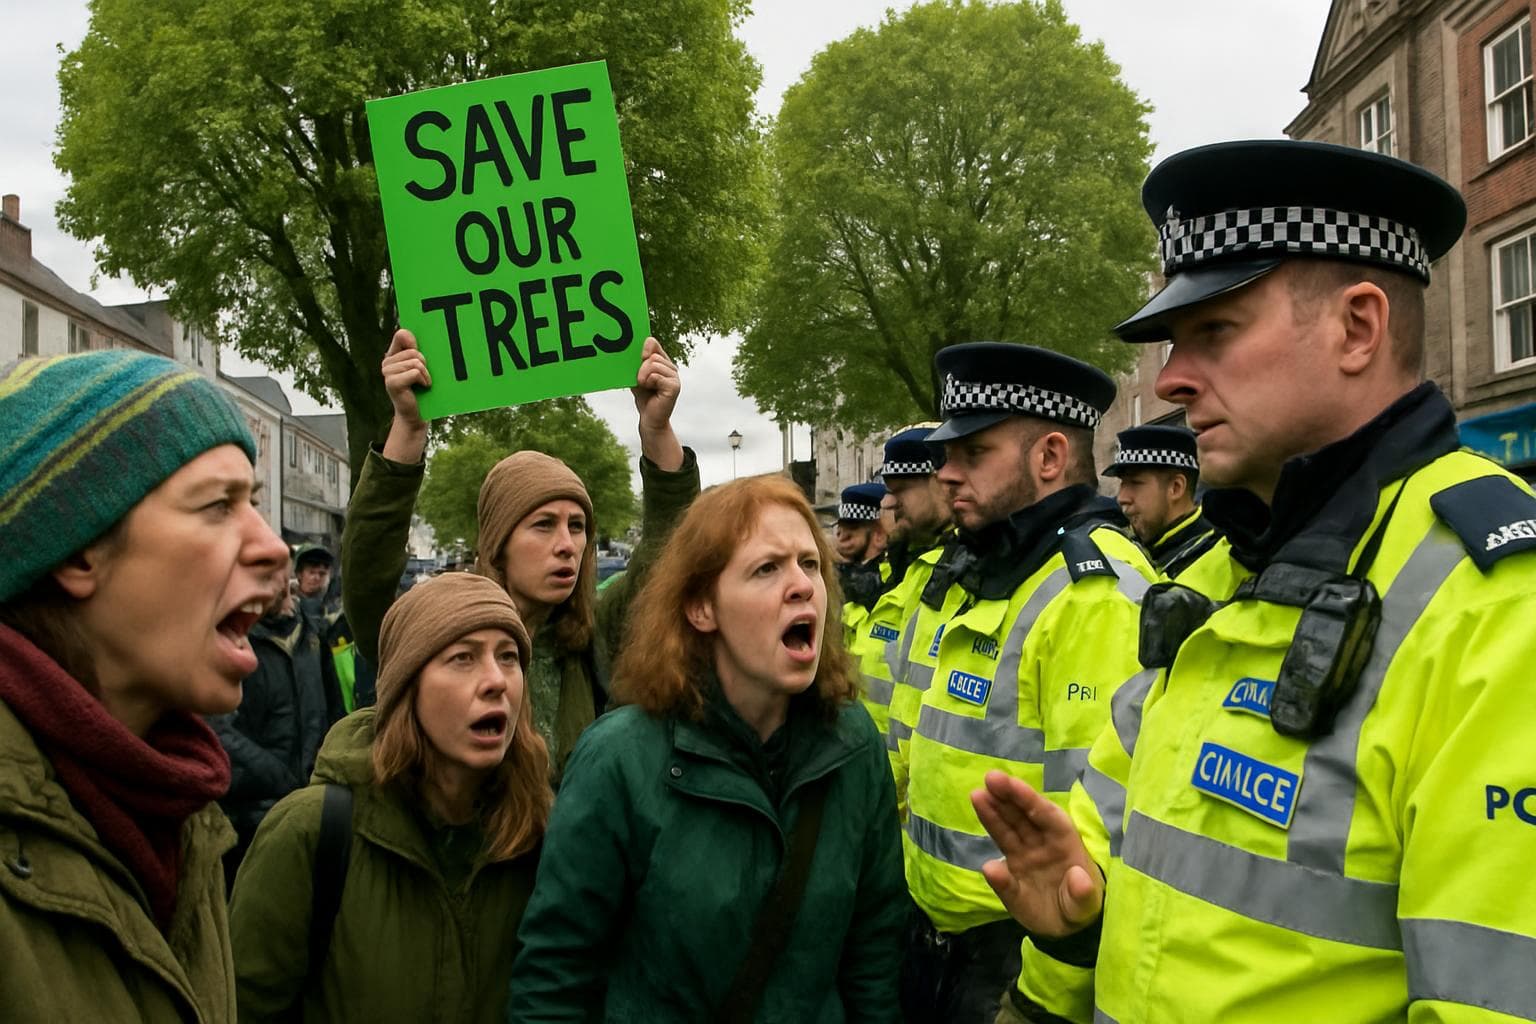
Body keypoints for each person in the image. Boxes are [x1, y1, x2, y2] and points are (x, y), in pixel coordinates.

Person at [976, 140, 1536, 1024]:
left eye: (1216, 332)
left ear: (1359, 328)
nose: (1171, 380)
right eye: (1173, 341)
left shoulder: (1500, 600)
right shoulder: (1221, 572)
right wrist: (1072, 935)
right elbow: (1128, 863)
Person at [506, 475, 905, 1022]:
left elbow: (874, 957)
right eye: (767, 568)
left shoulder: (854, 743)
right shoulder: (619, 760)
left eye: (810, 564)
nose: (801, 586)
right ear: (701, 608)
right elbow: (554, 978)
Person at [0, 350, 288, 1021]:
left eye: (252, 501)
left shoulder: (181, 811)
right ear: (78, 550)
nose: (273, 546)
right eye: (219, 505)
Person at [896, 342, 1155, 1024]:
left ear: (1048, 457)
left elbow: (1099, 841)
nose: (945, 474)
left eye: (973, 453)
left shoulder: (1092, 593)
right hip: (938, 944)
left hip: (1017, 964)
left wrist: (1039, 998)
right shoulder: (987, 570)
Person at [343, 328, 699, 775]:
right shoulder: (444, 634)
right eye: (543, 525)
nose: (567, 545)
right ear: (498, 545)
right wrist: (408, 429)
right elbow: (367, 588)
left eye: (577, 526)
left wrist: (657, 429)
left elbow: (671, 555)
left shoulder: (597, 639)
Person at [229, 572, 550, 1022]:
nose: (496, 680)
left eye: (509, 657)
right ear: (407, 688)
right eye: (463, 658)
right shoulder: (309, 833)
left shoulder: (540, 836)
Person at [210, 559, 339, 888]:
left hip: (313, 807)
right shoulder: (230, 639)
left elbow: (333, 707)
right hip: (252, 817)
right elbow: (217, 730)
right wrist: (281, 778)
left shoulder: (312, 631)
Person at [845, 426, 955, 790]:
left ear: (941, 481)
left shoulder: (953, 572)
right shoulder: (908, 573)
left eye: (900, 489)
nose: (888, 504)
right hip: (890, 791)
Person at [1103, 424, 1218, 578]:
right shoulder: (1129, 548)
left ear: (1176, 488)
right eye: (1123, 483)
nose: (1121, 498)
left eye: (1135, 483)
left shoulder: (1215, 558)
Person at [835, 481, 890, 649]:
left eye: (853, 528)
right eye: (840, 528)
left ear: (879, 535)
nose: (842, 536)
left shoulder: (892, 583)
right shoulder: (834, 579)